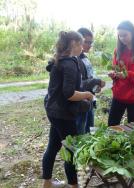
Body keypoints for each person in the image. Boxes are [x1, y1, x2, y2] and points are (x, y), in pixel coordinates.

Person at [42, 31, 94, 188]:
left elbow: (67, 88)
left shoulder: (61, 59)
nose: (84, 47)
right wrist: (87, 95)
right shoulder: (70, 63)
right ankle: (74, 185)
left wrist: (89, 87)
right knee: (71, 150)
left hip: (53, 111)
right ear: (75, 44)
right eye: (82, 43)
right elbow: (69, 94)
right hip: (63, 115)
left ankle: (47, 183)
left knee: (53, 145)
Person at [108, 20, 134, 126]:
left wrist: (127, 75)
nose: (122, 38)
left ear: (133, 33)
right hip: (119, 94)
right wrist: (114, 74)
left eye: (125, 35)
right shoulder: (117, 50)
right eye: (120, 36)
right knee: (112, 126)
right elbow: (117, 70)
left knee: (132, 128)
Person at [76, 27, 105, 134]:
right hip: (80, 105)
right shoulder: (74, 60)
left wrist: (96, 87)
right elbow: (78, 85)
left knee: (90, 132)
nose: (89, 45)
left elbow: (89, 77)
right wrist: (96, 81)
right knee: (80, 135)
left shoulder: (84, 57)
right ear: (78, 41)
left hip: (89, 102)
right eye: (87, 42)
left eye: (91, 42)